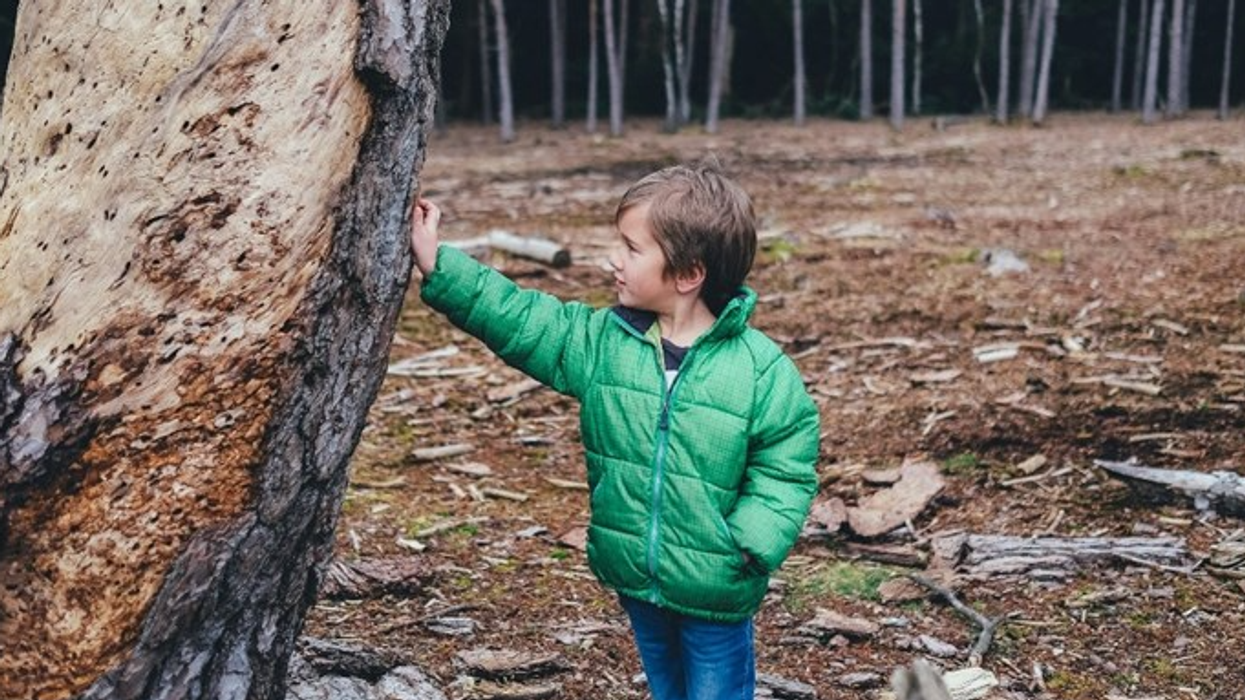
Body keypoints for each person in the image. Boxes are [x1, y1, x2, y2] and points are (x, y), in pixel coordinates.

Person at [409, 163, 820, 700]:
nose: (613, 259)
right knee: (666, 687)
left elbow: (788, 463)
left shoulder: (760, 370)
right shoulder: (605, 344)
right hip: (635, 572)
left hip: (717, 582)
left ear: (688, 274)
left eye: (631, 248)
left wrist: (748, 542)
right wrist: (441, 265)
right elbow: (522, 318)